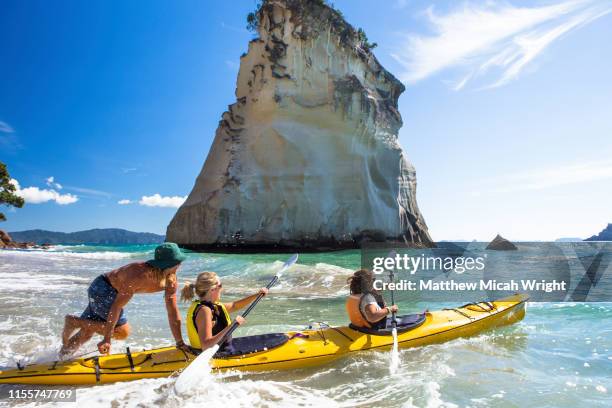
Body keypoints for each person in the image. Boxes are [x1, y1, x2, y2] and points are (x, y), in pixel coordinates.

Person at [60, 243, 190, 357]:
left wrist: (179, 342)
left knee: (87, 332)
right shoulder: (137, 275)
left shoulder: (171, 279)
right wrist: (107, 339)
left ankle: (61, 358)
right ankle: (74, 322)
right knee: (122, 332)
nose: (180, 264)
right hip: (103, 289)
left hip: (106, 289)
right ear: (166, 265)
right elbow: (116, 306)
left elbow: (172, 311)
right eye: (177, 262)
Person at [180, 271, 268, 351]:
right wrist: (231, 326)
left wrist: (257, 295)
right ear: (212, 290)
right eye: (220, 286)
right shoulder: (204, 311)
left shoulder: (213, 305)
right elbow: (206, 345)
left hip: (223, 350)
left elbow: (234, 305)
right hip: (214, 355)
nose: (222, 289)